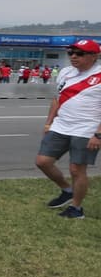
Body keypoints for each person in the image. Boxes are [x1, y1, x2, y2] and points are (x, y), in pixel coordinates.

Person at [36, 39, 101, 219]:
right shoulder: (65, 72)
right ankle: (67, 190)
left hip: (86, 130)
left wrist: (98, 134)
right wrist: (49, 123)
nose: (73, 57)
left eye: (79, 54)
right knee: (43, 161)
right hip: (61, 126)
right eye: (71, 53)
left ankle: (76, 209)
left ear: (94, 56)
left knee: (76, 170)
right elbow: (57, 99)